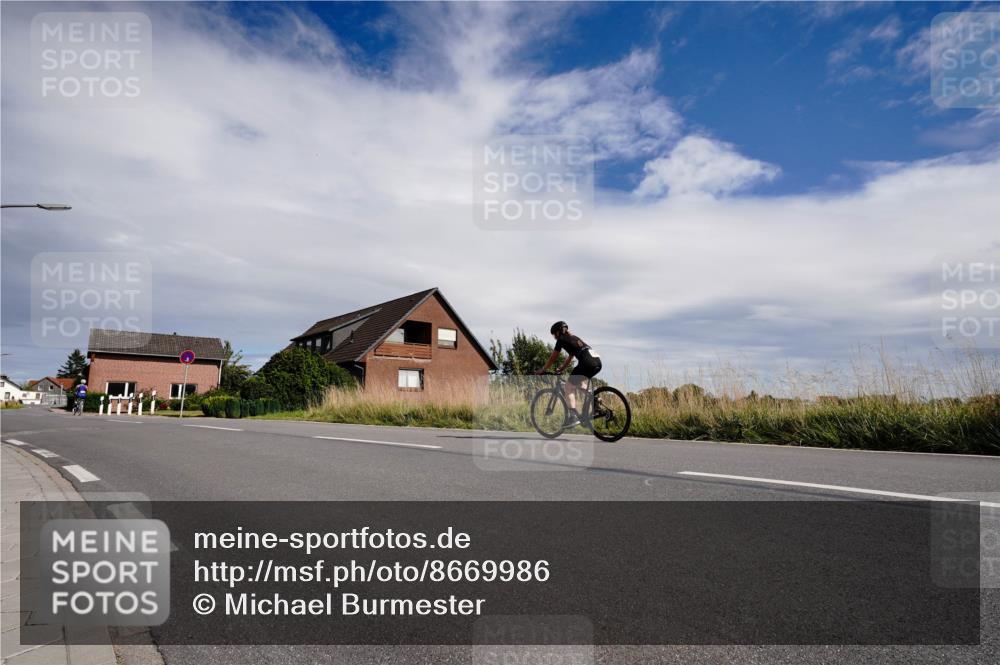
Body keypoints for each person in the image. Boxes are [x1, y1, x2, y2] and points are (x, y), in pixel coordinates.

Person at [536, 321, 602, 427]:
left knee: (568, 386)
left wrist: (543, 369)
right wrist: (562, 368)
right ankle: (595, 400)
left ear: (558, 333)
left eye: (554, 335)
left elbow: (553, 358)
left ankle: (573, 416)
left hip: (586, 362)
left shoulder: (561, 340)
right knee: (578, 383)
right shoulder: (574, 338)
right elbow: (571, 356)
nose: (554, 337)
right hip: (597, 362)